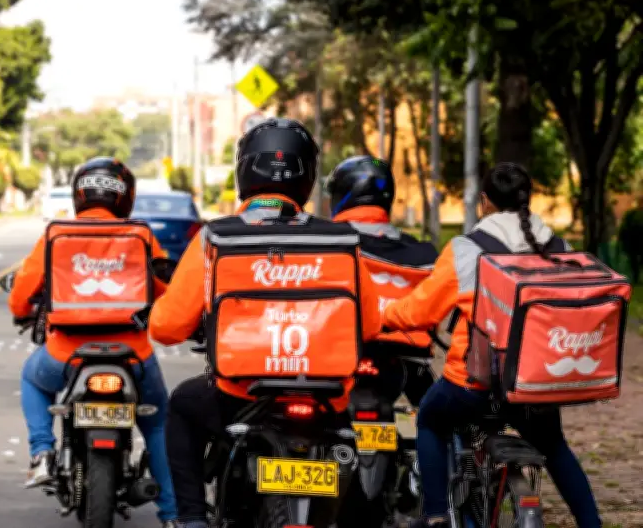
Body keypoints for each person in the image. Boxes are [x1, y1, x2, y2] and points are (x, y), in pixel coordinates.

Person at [149, 119, 383, 528]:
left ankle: (192, 519)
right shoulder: (339, 240)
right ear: (307, 176)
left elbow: (166, 328)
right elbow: (370, 325)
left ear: (244, 170)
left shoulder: (216, 238)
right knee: (358, 497)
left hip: (239, 397)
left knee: (184, 406)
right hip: (325, 402)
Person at [381, 162, 601, 528]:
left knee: (430, 420)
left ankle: (436, 516)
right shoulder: (559, 249)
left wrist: (387, 316)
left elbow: (420, 311)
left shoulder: (466, 250)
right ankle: (591, 523)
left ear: (485, 201)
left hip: (475, 385)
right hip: (535, 385)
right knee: (554, 446)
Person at [7, 157, 178, 527]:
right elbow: (167, 290)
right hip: (134, 357)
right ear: (125, 197)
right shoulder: (141, 236)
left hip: (65, 356)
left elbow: (22, 292)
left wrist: (22, 310)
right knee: (157, 424)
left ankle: (42, 453)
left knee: (32, 379)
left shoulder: (56, 234)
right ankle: (173, 515)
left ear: (79, 194)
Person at [325, 155, 438, 405]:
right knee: (437, 417)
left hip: (341, 354)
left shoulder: (328, 242)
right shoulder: (425, 253)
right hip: (409, 359)